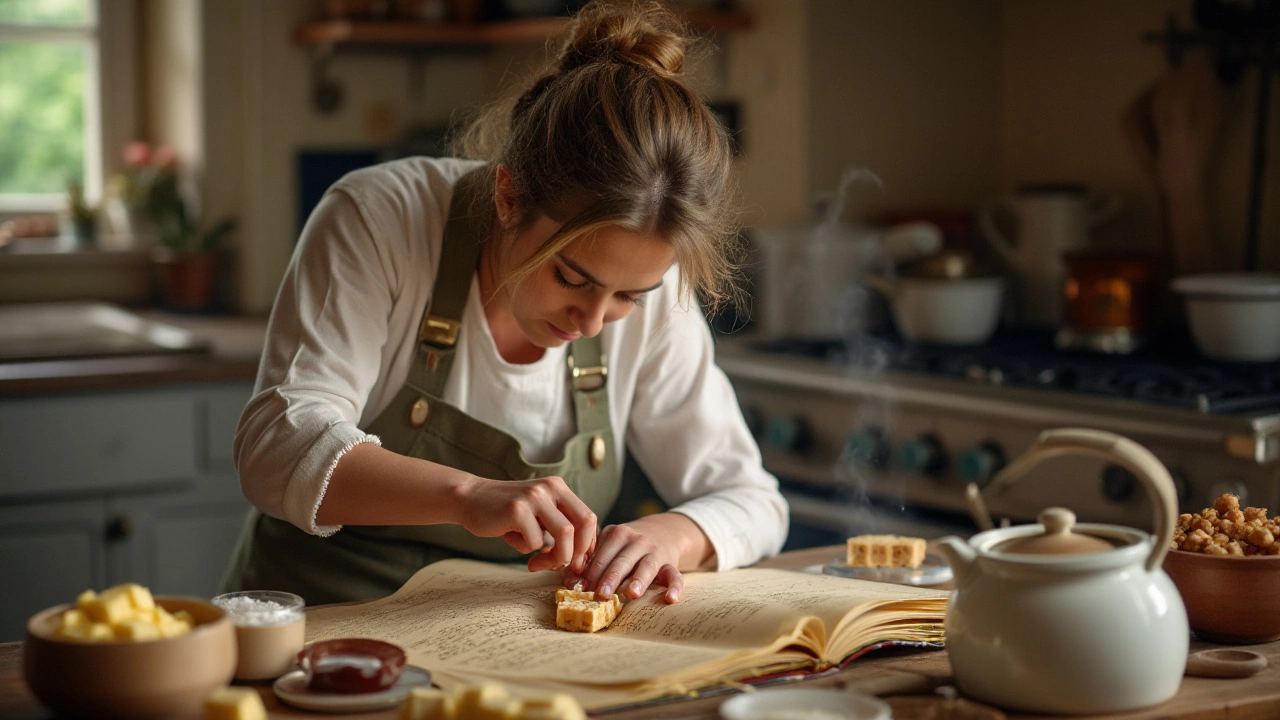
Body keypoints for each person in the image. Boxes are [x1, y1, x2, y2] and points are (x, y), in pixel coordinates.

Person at [221, 0, 788, 607]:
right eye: (571, 277)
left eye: (629, 295)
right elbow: (276, 446)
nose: (594, 320)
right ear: (508, 195)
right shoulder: (380, 219)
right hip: (317, 627)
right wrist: (465, 495)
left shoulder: (652, 302)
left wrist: (673, 536)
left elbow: (754, 500)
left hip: (499, 654)